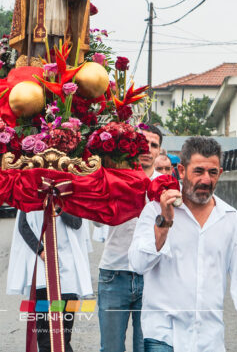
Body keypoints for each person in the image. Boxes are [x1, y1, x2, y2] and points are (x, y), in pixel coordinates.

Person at [129, 137, 237, 352]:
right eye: (198, 171)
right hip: (163, 336)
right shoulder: (155, 210)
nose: (206, 179)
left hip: (209, 338)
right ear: (181, 171)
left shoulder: (230, 219)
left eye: (212, 173)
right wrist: (164, 224)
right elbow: (138, 264)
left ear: (220, 174)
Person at [96, 124, 164, 352]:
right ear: (134, 146)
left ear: (159, 151)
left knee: (147, 347)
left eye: (153, 145)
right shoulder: (114, 177)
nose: (148, 149)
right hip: (115, 274)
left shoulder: (168, 187)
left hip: (154, 275)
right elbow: (96, 221)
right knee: (111, 348)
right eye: (143, 143)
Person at [7, 209, 92, 352]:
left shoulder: (69, 191)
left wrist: (59, 207)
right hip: (42, 278)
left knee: (63, 336)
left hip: (68, 279)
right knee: (46, 338)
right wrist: (40, 250)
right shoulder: (31, 191)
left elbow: (77, 223)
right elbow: (23, 225)